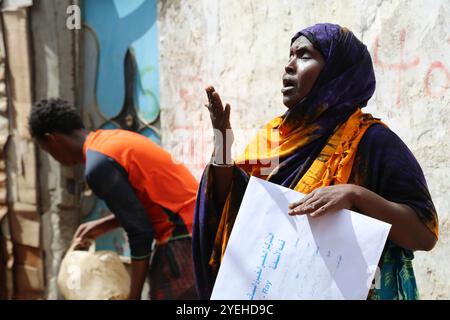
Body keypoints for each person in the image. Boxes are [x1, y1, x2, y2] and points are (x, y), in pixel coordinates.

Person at [194, 23, 438, 300]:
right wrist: (222, 144)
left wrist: (355, 195)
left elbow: (424, 235)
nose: (289, 66)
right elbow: (233, 208)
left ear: (336, 72)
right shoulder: (274, 138)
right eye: (290, 55)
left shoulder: (373, 141)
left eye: (305, 55)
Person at [28, 98, 199, 299]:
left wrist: (134, 294)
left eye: (48, 151)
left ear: (52, 139)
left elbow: (140, 232)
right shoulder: (110, 140)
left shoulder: (97, 166)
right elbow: (145, 205)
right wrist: (104, 225)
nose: (54, 158)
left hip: (182, 240)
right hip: (198, 226)